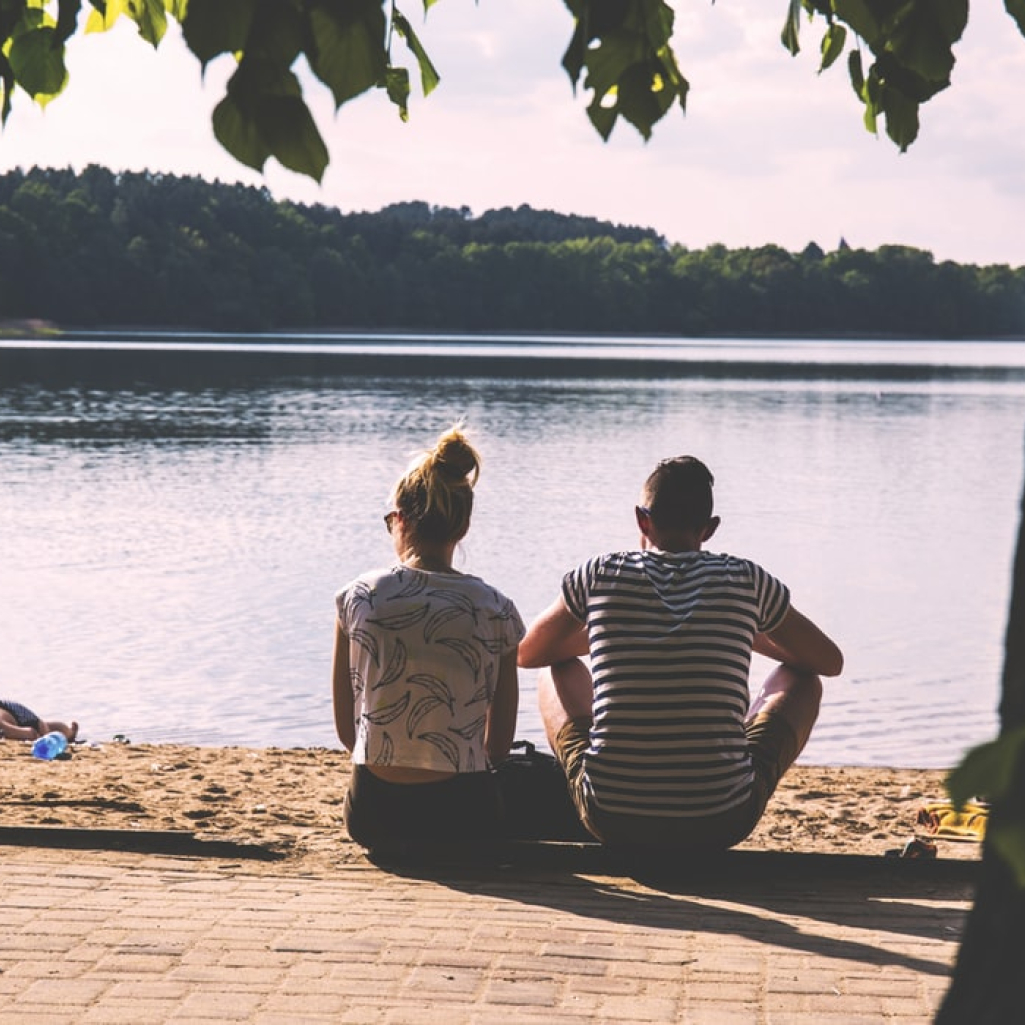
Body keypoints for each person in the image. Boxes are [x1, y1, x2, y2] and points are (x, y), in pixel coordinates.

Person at [518, 455, 843, 856]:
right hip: (722, 818)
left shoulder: (601, 573)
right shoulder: (745, 579)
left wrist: (615, 626)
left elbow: (529, 653)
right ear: (710, 529)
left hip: (611, 816)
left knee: (555, 670)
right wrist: (745, 627)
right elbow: (829, 662)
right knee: (802, 678)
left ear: (642, 521)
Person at [332, 425, 523, 860]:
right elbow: (498, 748)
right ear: (465, 524)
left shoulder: (357, 596)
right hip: (463, 816)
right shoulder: (497, 609)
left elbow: (349, 733)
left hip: (373, 813)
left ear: (400, 519)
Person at [0, 699, 78, 743]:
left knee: (43, 729)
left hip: (12, 713)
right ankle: (70, 733)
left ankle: (70, 733)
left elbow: (31, 733)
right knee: (47, 727)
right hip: (10, 712)